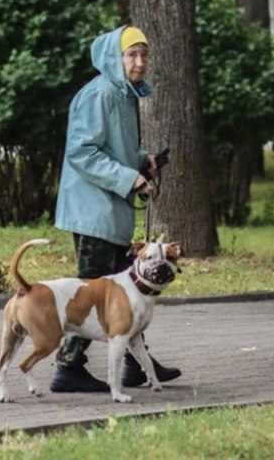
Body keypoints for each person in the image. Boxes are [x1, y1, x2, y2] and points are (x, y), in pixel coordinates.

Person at [50, 25, 182, 394]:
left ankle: (135, 363)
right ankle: (68, 367)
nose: (140, 63)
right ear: (114, 57)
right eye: (131, 55)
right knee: (96, 295)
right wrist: (131, 179)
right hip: (92, 211)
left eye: (144, 55)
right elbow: (82, 153)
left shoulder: (123, 94)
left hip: (109, 208)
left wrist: (144, 162)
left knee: (125, 292)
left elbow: (113, 150)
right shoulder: (99, 94)